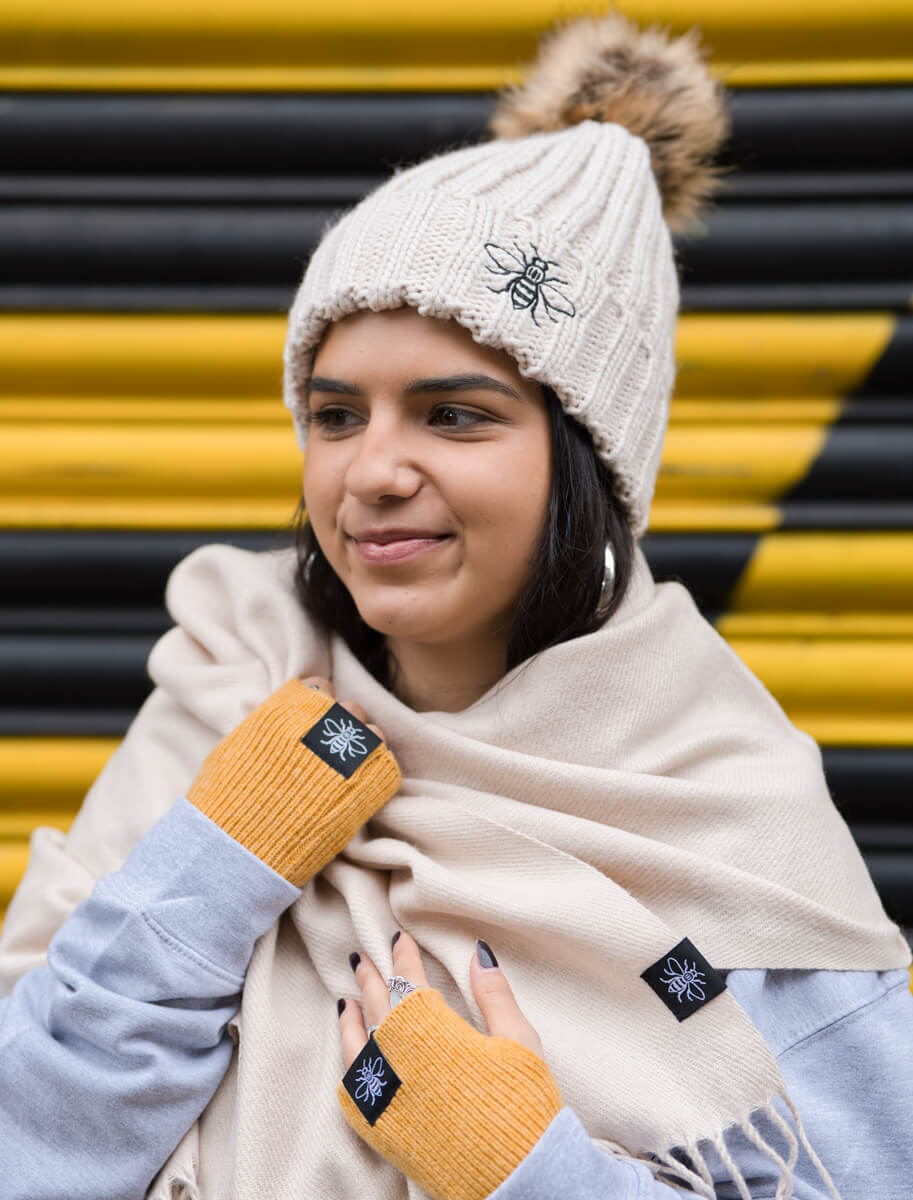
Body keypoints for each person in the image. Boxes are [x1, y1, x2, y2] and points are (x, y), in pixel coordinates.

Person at [1, 12, 911, 1200]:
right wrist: (218, 865)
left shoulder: (724, 816)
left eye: (453, 414)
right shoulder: (230, 696)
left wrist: (526, 1171)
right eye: (335, 414)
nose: (370, 470)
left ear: (584, 456)